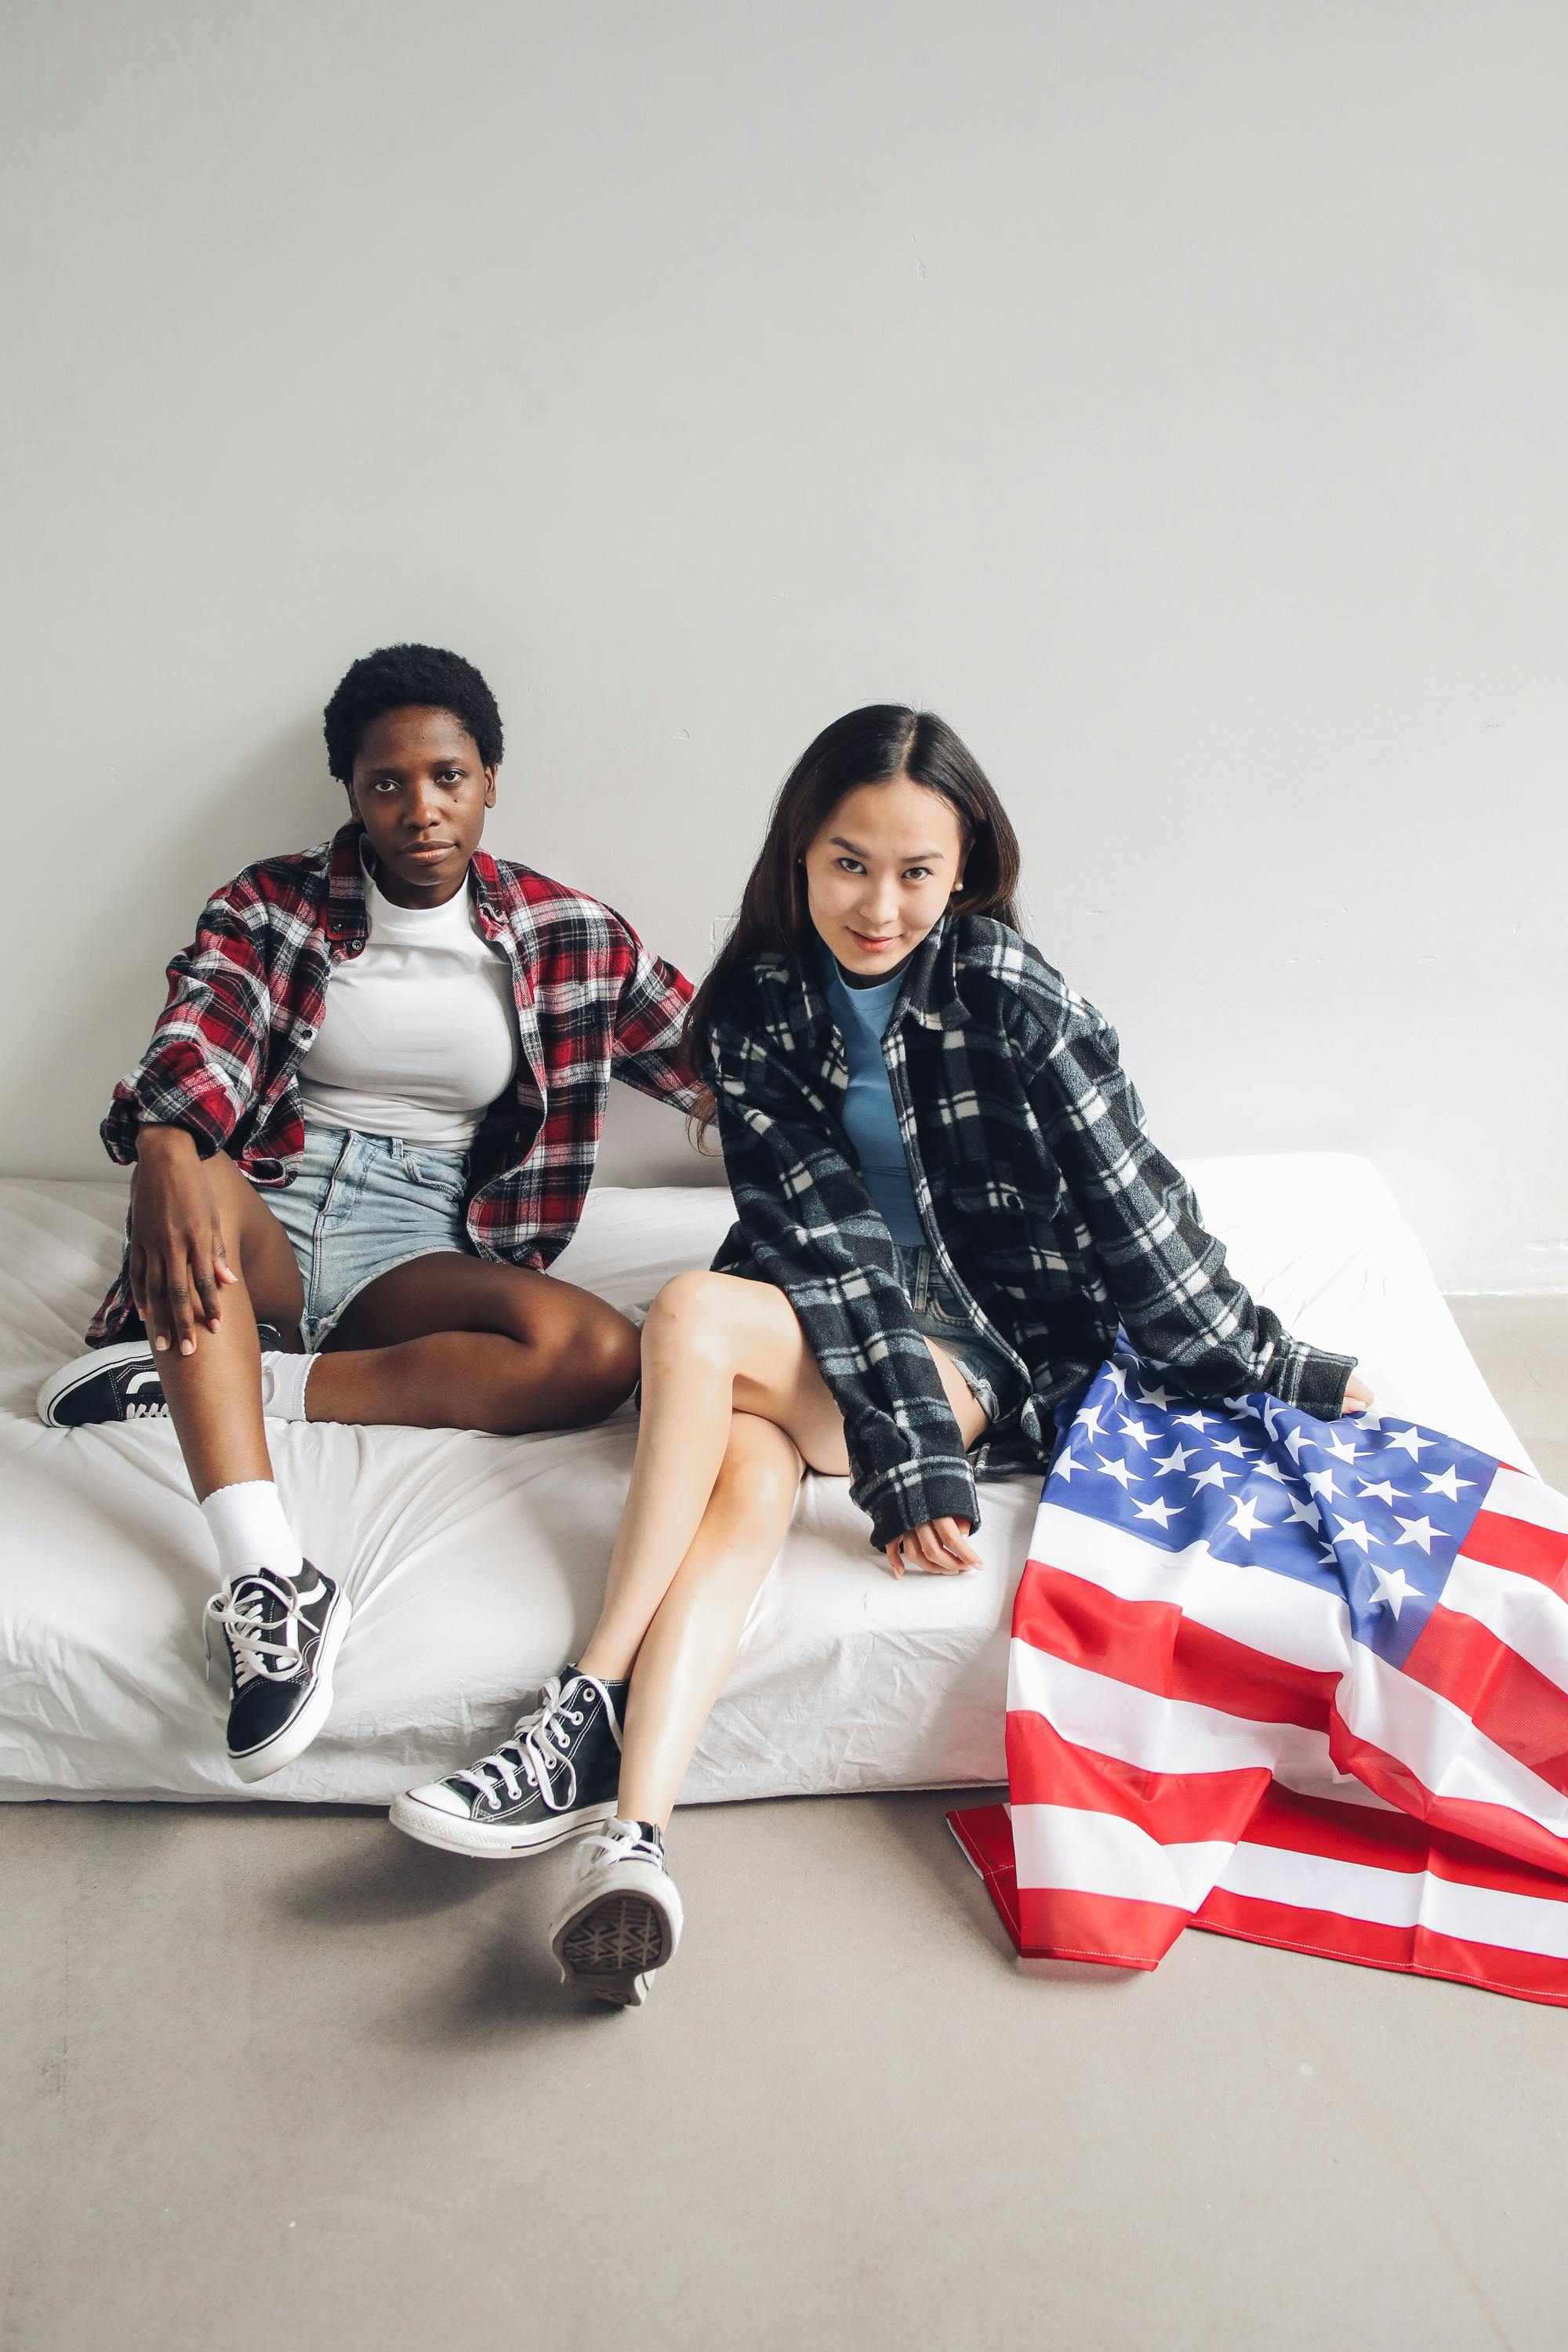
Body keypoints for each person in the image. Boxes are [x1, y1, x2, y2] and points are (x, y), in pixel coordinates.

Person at [390, 701, 1374, 2008]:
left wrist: (1271, 1364)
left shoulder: (1009, 995)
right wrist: (895, 1447)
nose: (880, 905)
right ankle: (635, 1837)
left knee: (686, 1316)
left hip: (975, 1343)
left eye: (917, 871)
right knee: (739, 1472)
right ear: (798, 855)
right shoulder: (754, 1009)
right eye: (850, 862)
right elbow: (826, 1244)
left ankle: (583, 1696)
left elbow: (1138, 1209)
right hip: (803, 1306)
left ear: (965, 869)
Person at [40, 643, 699, 1783]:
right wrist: (160, 1137)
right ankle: (269, 1580)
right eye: (386, 783)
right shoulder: (273, 902)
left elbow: (720, 1070)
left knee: (598, 1351)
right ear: (351, 791)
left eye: (446, 777)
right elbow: (204, 1027)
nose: (421, 810)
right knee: (186, 1158)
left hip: (420, 1234)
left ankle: (242, 1379)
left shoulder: (569, 933)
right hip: (272, 1205)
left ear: (490, 777)